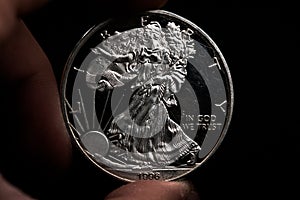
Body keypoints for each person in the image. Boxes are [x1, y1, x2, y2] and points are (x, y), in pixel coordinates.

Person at [0, 0, 199, 199]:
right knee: (127, 126)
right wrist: (108, 77)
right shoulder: (141, 56)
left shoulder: (168, 63)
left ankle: (153, 152)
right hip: (136, 102)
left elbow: (174, 76)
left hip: (152, 102)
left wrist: (159, 84)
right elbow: (124, 68)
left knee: (153, 126)